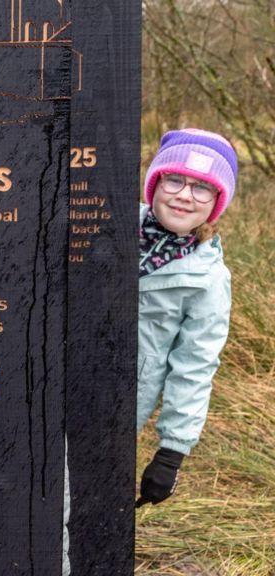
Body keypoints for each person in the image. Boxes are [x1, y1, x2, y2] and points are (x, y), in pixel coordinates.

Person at [135, 128, 236, 507]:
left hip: (120, 399)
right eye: (174, 180)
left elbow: (194, 366)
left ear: (216, 202)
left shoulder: (207, 279)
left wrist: (171, 454)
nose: (183, 195)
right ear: (155, 183)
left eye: (201, 187)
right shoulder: (102, 223)